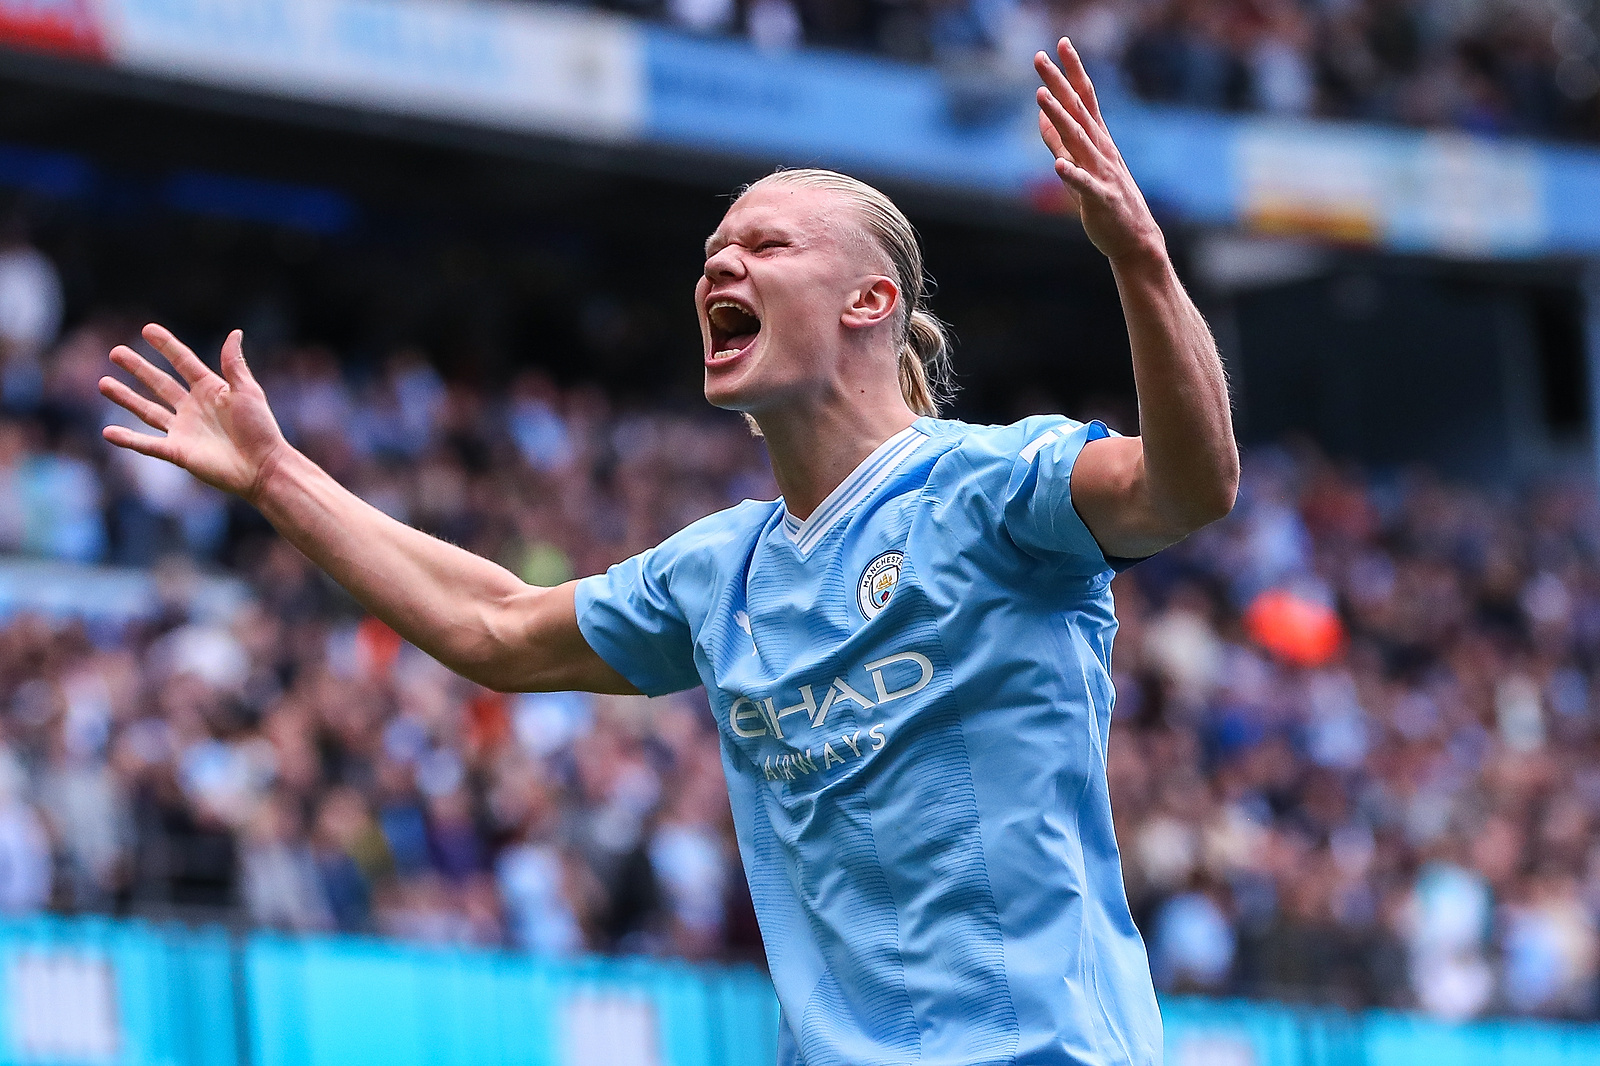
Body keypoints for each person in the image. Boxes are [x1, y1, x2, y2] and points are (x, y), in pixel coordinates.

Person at [101, 40, 1236, 1066]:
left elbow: (1189, 486)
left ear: (869, 299)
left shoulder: (991, 486)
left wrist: (1138, 256)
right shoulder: (719, 571)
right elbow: (494, 628)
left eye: (764, 243)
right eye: (711, 249)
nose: (718, 266)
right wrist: (275, 476)